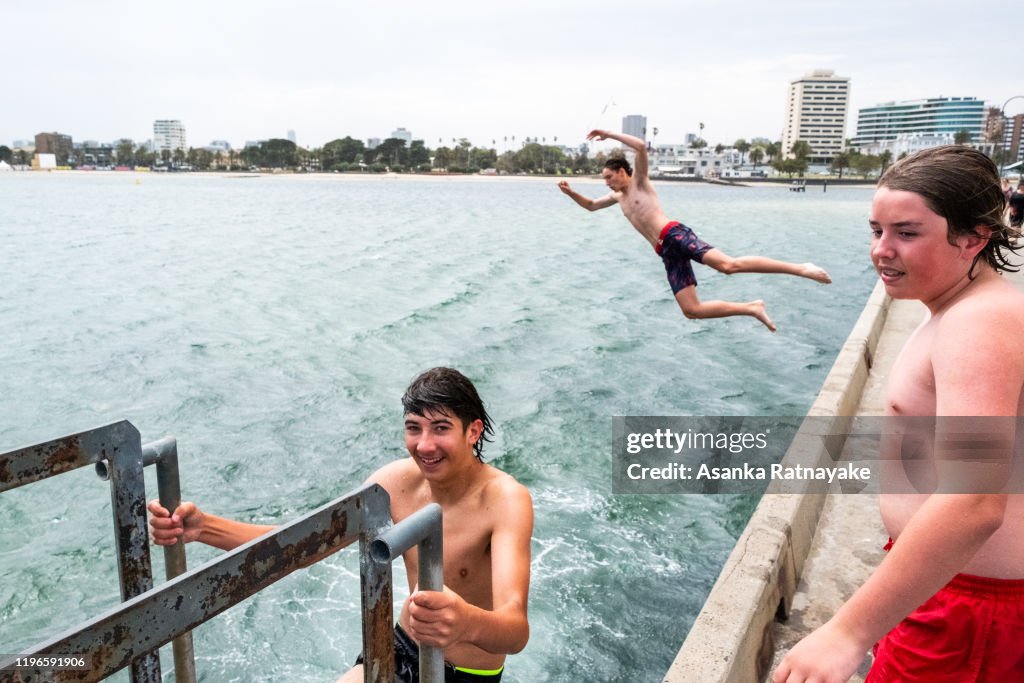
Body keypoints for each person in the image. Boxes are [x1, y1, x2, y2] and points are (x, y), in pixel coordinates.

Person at [773, 146, 1024, 682]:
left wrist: (848, 631)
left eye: (906, 233)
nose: (881, 251)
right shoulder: (959, 310)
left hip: (968, 611)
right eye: (876, 231)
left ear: (974, 237)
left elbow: (975, 499)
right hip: (941, 585)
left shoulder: (978, 324)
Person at [148, 367, 533, 683]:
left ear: (473, 431)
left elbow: (515, 629)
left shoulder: (505, 501)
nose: (424, 445)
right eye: (414, 428)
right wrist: (202, 528)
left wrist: (465, 622)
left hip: (464, 673)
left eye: (441, 428)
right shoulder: (396, 482)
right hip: (400, 647)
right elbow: (300, 547)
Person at [557, 129, 831, 332]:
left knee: (728, 265)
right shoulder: (618, 198)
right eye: (604, 179)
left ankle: (800, 268)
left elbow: (640, 147)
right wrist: (571, 193)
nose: (606, 183)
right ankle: (751, 308)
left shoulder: (640, 183)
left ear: (622, 172)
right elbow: (591, 206)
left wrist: (607, 134)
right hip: (665, 251)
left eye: (609, 177)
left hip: (675, 234)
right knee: (691, 310)